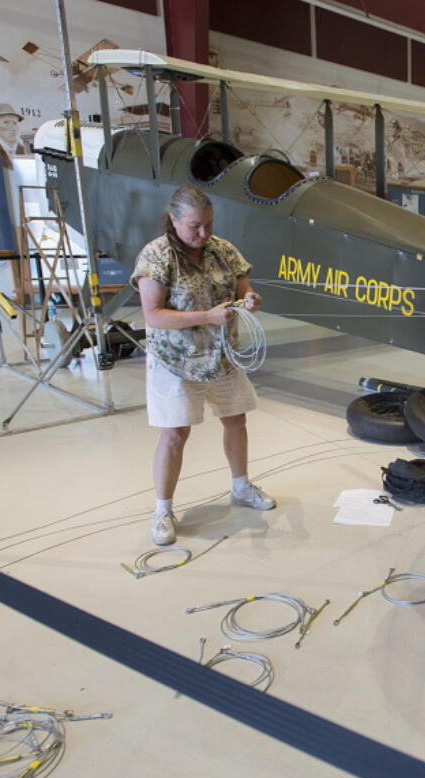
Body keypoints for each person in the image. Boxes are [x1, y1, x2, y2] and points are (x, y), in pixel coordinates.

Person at [131, 185, 274, 546]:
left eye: (208, 225)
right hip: (176, 361)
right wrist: (207, 316)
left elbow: (244, 290)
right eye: (195, 226)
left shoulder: (223, 250)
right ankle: (163, 509)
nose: (203, 233)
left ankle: (241, 488)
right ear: (174, 219)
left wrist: (250, 299)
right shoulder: (157, 256)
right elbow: (154, 315)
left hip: (223, 355)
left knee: (236, 420)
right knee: (175, 434)